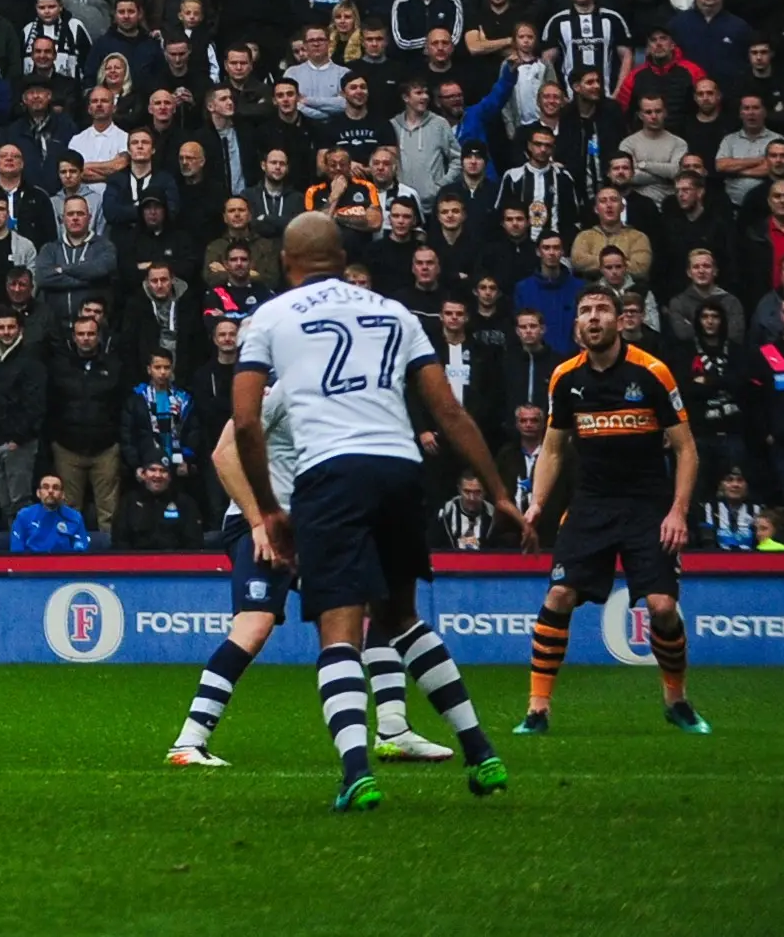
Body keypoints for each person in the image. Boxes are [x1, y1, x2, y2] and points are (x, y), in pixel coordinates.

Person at [232, 212, 523, 810]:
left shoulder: (269, 317)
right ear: (342, 258)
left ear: (285, 263)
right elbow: (450, 413)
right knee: (402, 618)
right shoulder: (395, 312)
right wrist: (499, 494)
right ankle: (481, 750)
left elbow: (244, 423)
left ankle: (357, 773)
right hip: (398, 467)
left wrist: (267, 508)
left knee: (339, 631)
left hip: (329, 473)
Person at [168, 335, 447, 769]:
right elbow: (224, 454)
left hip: (308, 530)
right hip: (256, 524)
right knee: (255, 624)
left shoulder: (352, 410)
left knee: (380, 607)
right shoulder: (285, 392)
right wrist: (259, 522)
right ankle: (189, 741)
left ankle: (393, 728)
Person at [515, 290, 710, 736]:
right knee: (558, 596)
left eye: (602, 310)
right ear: (577, 325)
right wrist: (539, 502)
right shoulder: (564, 378)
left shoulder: (652, 371)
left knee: (662, 607)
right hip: (590, 505)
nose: (593, 318)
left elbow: (686, 449)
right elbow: (554, 448)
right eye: (584, 312)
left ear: (620, 321)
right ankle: (537, 709)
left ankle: (675, 700)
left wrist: (678, 512)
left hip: (648, 506)